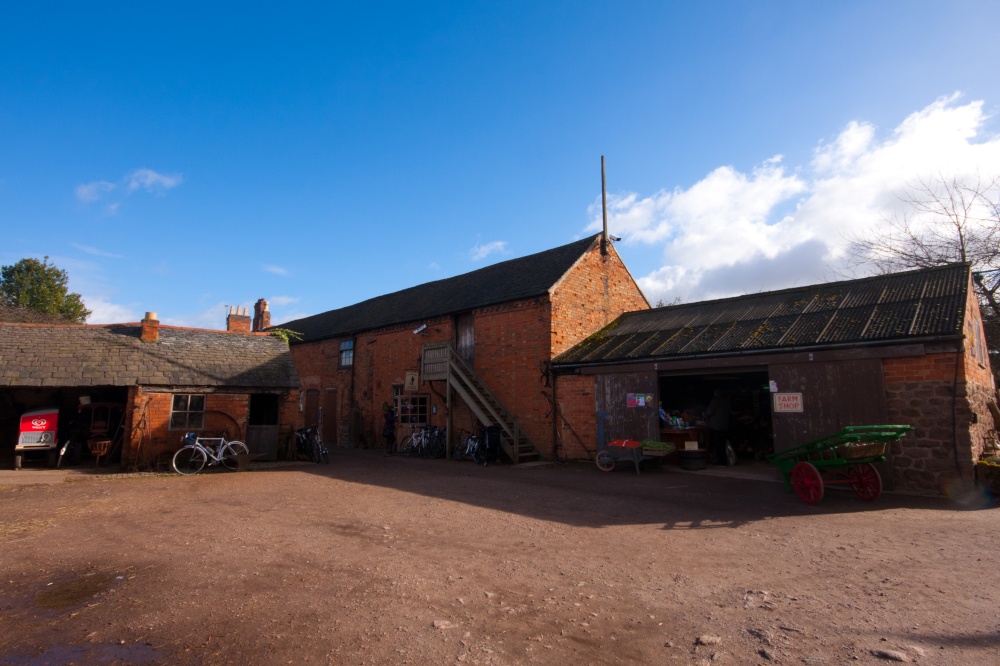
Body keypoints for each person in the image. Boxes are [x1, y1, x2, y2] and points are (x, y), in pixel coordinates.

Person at [703, 388, 731, 465]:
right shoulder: (726, 401)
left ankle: (720, 461)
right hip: (724, 426)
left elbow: (708, 412)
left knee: (717, 444)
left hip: (715, 426)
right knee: (722, 444)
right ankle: (723, 461)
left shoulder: (715, 401)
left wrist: (704, 414)